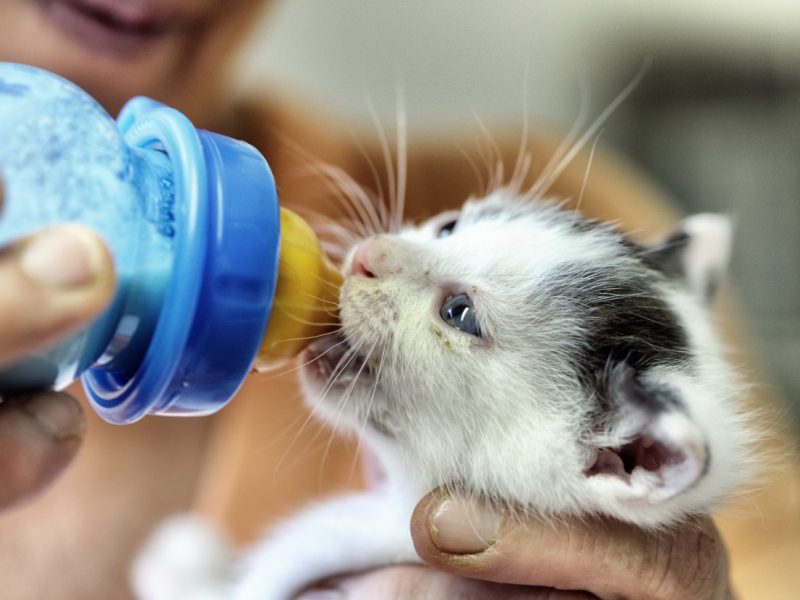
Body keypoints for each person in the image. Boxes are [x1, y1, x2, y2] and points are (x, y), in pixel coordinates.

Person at [0, 1, 798, 598]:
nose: (372, 255)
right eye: (449, 225)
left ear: (626, 456)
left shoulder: (582, 204)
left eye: (460, 315)